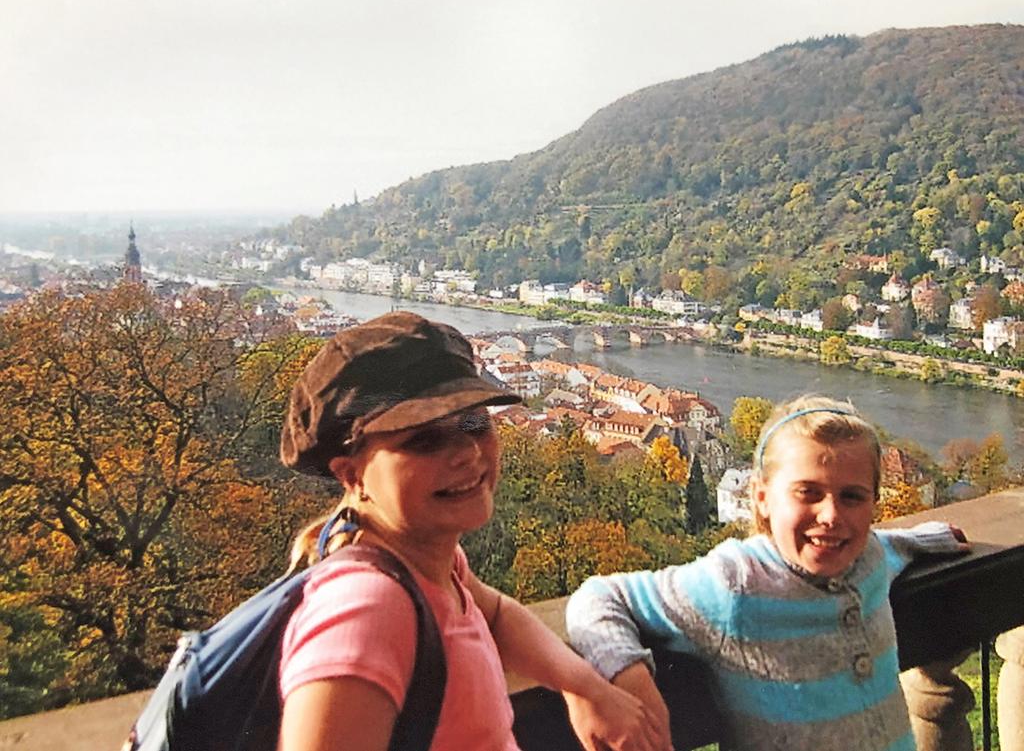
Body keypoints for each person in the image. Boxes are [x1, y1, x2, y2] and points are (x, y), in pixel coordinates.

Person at [276, 311, 671, 751]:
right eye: (424, 440)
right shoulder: (366, 610)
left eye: (475, 423)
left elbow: (496, 614)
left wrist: (586, 688)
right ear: (351, 475)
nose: (466, 451)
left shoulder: (425, 563)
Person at [565, 395, 970, 751]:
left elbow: (893, 544)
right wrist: (627, 676)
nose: (831, 515)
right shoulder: (736, 583)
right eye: (807, 492)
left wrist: (932, 537)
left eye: (852, 496)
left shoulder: (868, 557)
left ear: (873, 503)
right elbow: (599, 597)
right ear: (761, 498)